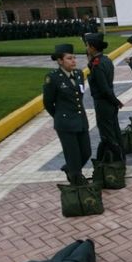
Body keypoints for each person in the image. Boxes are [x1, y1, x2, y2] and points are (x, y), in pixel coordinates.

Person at [43, 44, 90, 185]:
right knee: (73, 155)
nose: (73, 61)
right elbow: (48, 103)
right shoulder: (53, 78)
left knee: (86, 152)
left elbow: (79, 97)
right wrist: (59, 116)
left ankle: (70, 169)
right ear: (60, 61)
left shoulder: (79, 74)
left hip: (81, 120)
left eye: (74, 58)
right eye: (69, 58)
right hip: (65, 123)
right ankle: (76, 180)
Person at [85, 33, 124, 161]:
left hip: (103, 103)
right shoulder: (106, 60)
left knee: (108, 135)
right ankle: (120, 157)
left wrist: (115, 101)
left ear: (92, 47)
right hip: (110, 102)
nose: (86, 48)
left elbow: (103, 88)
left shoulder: (97, 65)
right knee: (115, 132)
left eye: (87, 45)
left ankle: (118, 161)